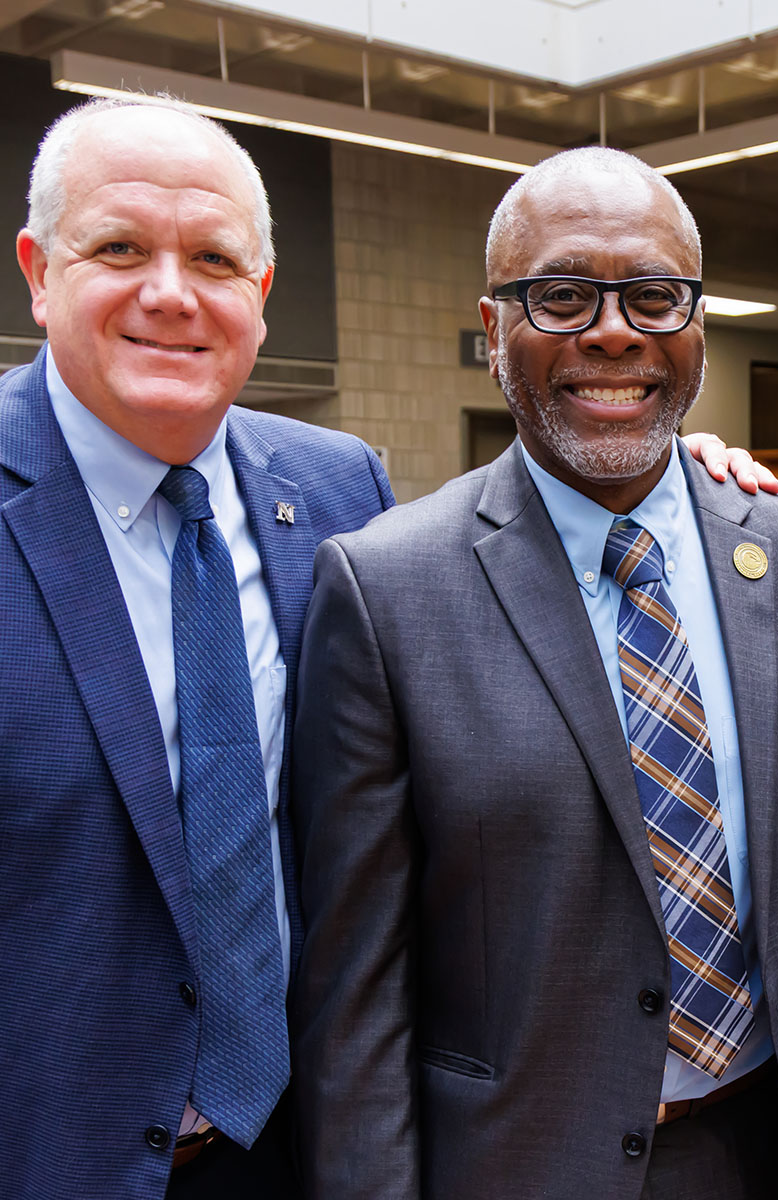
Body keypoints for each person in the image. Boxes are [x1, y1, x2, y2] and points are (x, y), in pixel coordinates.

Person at [289, 146, 778, 1200]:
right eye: (561, 296)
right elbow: (355, 994)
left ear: (697, 324)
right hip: (522, 1166)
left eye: (654, 296)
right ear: (493, 328)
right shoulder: (386, 589)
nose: (614, 331)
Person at [0, 95, 394, 1199]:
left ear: (259, 296)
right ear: (39, 272)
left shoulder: (341, 489)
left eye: (214, 259)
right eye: (120, 248)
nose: (171, 293)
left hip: (304, 1149)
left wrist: (665, 488)